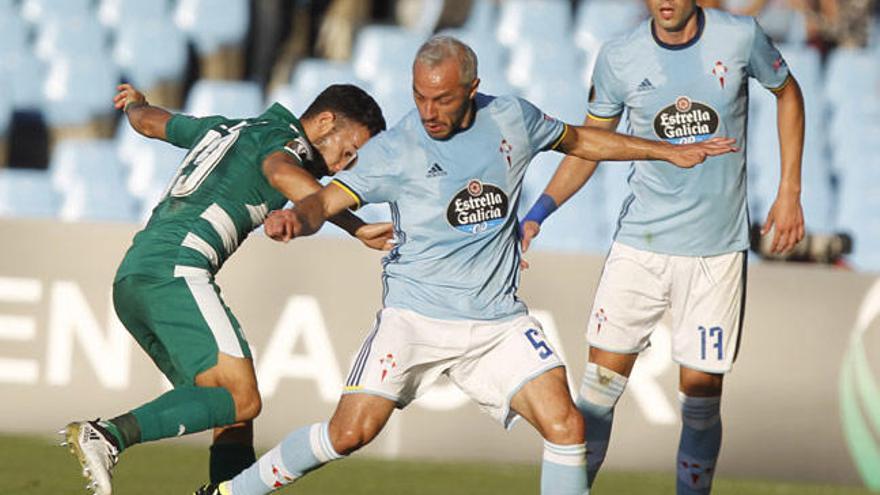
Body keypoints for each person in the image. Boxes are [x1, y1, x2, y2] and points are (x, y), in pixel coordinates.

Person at [193, 35, 736, 495]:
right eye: (419, 96)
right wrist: (297, 217)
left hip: (498, 321)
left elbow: (581, 139)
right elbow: (326, 200)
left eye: (443, 99)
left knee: (567, 425)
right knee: (348, 435)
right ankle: (231, 491)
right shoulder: (396, 148)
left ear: (472, 90)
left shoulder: (513, 120)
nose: (428, 112)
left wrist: (664, 151)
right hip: (414, 319)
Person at [519, 1, 805, 493]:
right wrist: (538, 212)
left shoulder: (739, 37)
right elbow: (591, 143)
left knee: (699, 405)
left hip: (715, 253)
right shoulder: (620, 56)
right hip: (641, 247)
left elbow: (789, 93)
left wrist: (789, 192)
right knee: (597, 394)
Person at [61, 82, 389, 495]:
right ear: (325, 121)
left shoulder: (225, 128)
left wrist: (135, 105)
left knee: (230, 410)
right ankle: (108, 435)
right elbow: (281, 173)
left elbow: (149, 123)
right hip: (176, 272)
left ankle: (227, 490)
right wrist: (355, 226)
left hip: (134, 279)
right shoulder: (283, 145)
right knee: (242, 396)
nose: (343, 167)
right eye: (348, 151)